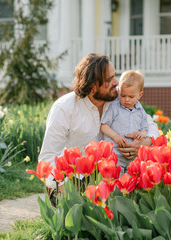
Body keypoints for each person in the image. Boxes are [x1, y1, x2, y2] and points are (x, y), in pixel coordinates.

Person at [38, 53, 159, 193]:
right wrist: (65, 190)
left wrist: (145, 142)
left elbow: (150, 124)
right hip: (74, 180)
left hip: (113, 175)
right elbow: (47, 157)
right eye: (109, 79)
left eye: (115, 76)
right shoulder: (64, 108)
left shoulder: (120, 99)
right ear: (93, 86)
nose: (116, 83)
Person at [101, 70, 148, 175]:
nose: (126, 99)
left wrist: (141, 134)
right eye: (123, 95)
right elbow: (104, 126)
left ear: (140, 95)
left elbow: (145, 129)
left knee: (131, 183)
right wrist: (115, 136)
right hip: (116, 155)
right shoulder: (114, 107)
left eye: (131, 97)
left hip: (133, 156)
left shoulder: (140, 111)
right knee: (117, 184)